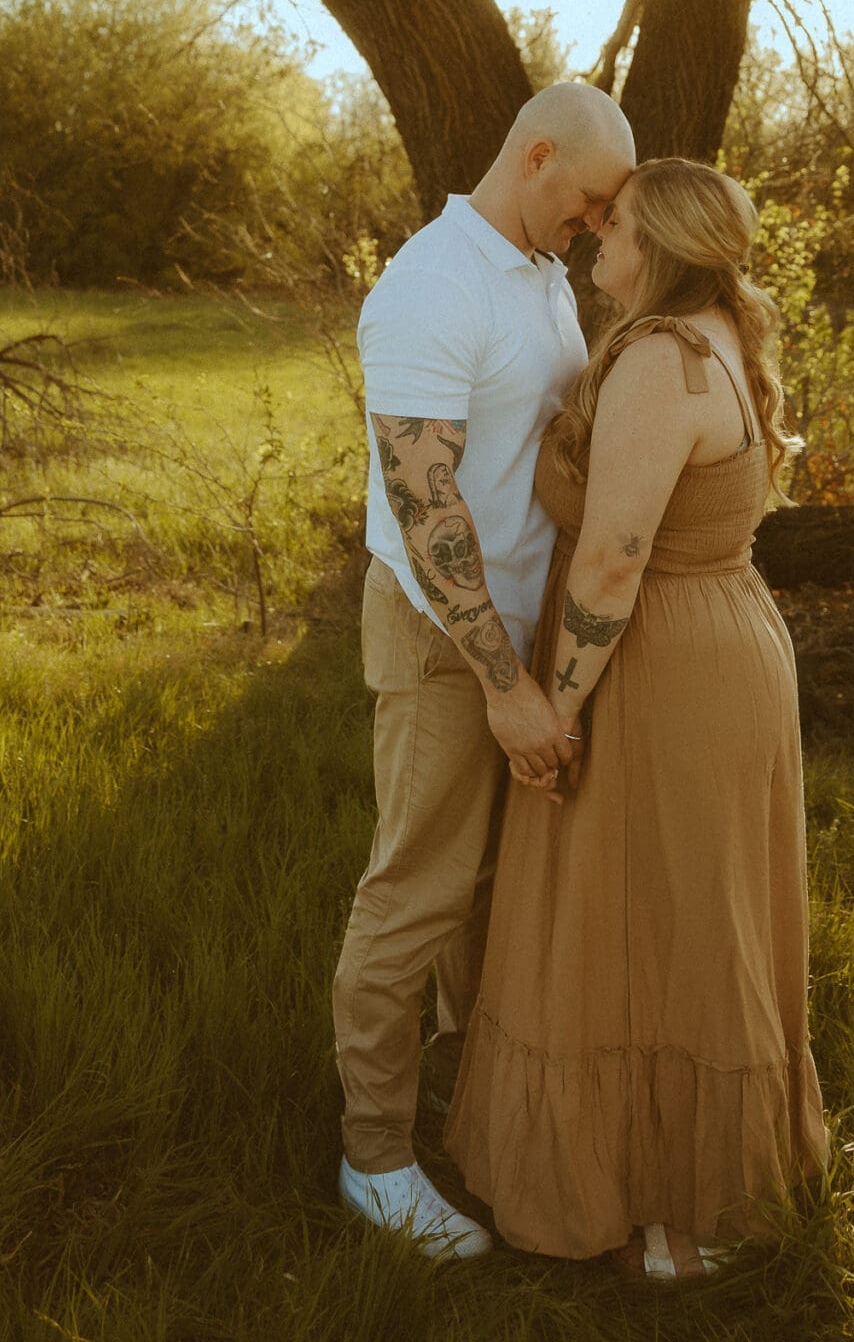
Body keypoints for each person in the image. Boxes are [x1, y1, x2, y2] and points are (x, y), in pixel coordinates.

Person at [444, 156, 828, 1283]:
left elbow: (613, 561)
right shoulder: (715, 335)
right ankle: (665, 1179)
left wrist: (554, 710)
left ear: (654, 244)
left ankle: (690, 1210)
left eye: (611, 226)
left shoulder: (663, 360)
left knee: (667, 922)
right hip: (716, 638)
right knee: (684, 910)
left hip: (665, 662)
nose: (594, 239)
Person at [332, 81, 637, 1261]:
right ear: (537, 154)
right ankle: (375, 1158)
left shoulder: (541, 273)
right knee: (415, 891)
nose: (598, 227)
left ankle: (475, 1111)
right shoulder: (431, 287)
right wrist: (506, 684)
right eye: (592, 201)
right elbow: (428, 508)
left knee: (490, 891)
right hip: (445, 636)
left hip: (526, 624)